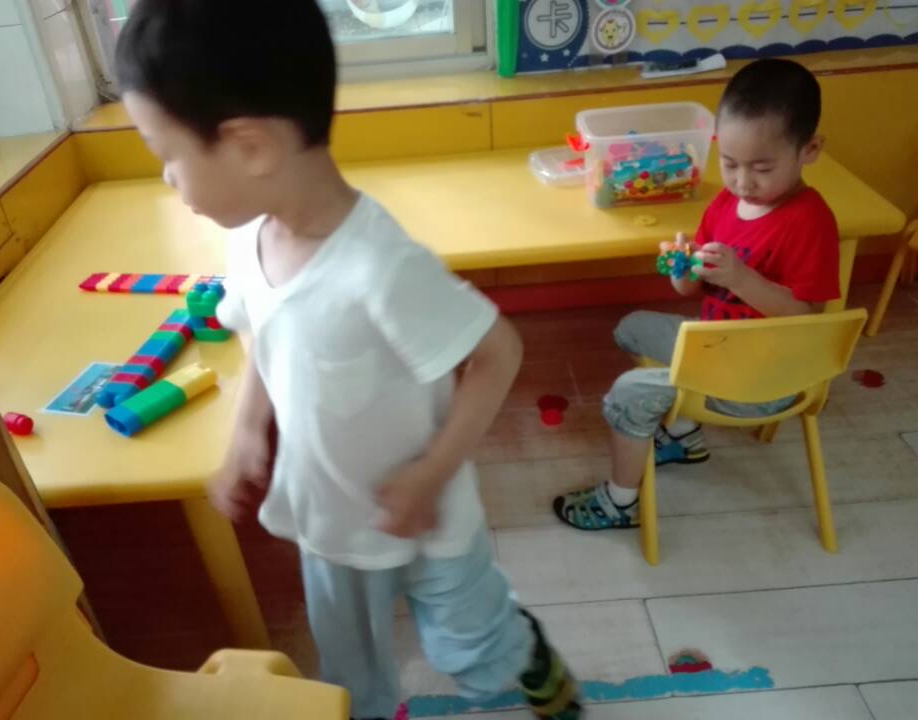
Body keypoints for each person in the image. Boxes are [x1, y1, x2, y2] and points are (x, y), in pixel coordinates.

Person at [115, 2, 581, 719]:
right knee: (350, 674)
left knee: (476, 649)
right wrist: (247, 430)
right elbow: (263, 334)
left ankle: (529, 660)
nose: (168, 178)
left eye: (166, 153)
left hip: (431, 514)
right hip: (329, 520)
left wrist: (430, 474)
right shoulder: (248, 240)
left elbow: (499, 352)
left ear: (250, 146)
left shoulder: (378, 266)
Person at [554, 58, 840, 531]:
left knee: (629, 393)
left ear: (809, 150)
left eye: (762, 167)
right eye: (729, 163)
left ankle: (620, 503)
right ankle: (684, 438)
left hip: (764, 379)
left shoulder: (811, 221)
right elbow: (691, 288)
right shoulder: (726, 203)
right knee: (632, 327)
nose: (743, 181)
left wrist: (742, 279)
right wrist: (682, 268)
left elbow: (810, 319)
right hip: (717, 347)